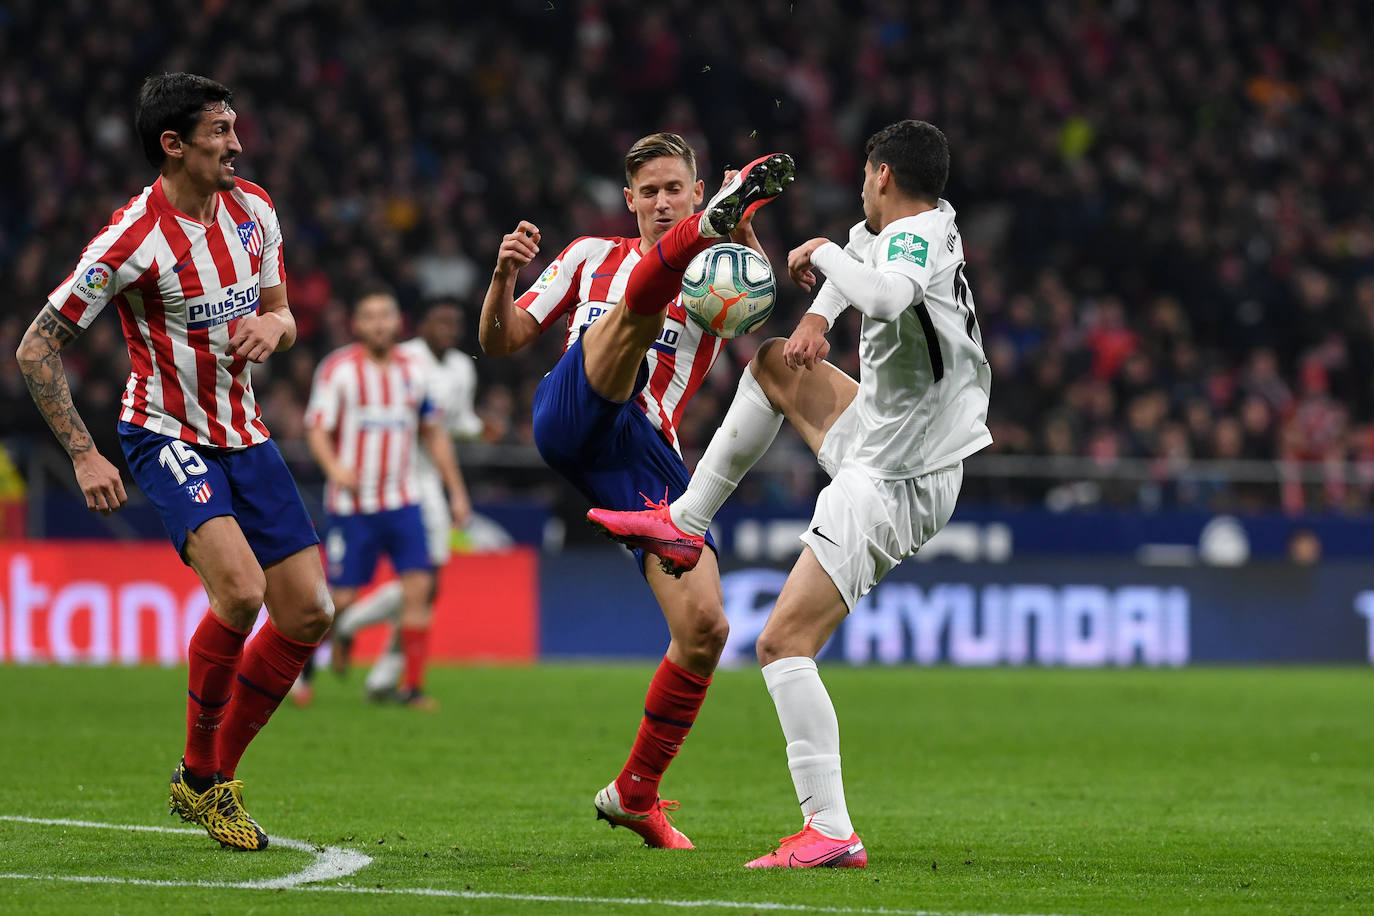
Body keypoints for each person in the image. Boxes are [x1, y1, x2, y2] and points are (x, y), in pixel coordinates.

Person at [588, 120, 992, 867]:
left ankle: (830, 829)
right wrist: (813, 316)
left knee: (781, 643)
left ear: (880, 177)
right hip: (891, 434)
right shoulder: (929, 223)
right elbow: (858, 273)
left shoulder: (909, 244)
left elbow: (881, 289)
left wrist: (821, 253)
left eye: (865, 181)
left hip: (897, 476)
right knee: (775, 364)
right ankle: (686, 521)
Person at [14, 73, 333, 851]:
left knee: (311, 614)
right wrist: (85, 455)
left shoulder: (255, 208)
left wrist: (277, 332)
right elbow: (35, 348)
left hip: (246, 434)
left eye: (234, 128)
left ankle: (207, 777)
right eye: (220, 132)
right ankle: (203, 778)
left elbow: (283, 311)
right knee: (241, 591)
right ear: (174, 144)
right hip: (165, 434)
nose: (236, 144)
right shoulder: (129, 240)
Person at [480, 132, 793, 849]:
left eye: (672, 190)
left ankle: (633, 794)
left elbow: (758, 299)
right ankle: (685, 244)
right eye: (647, 191)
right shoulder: (590, 255)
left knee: (706, 627)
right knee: (635, 314)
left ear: (692, 191)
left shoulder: (723, 269)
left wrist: (739, 228)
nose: (657, 199)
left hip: (643, 455)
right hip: (573, 410)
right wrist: (501, 277)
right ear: (629, 200)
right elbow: (502, 340)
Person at [304, 291, 471, 709]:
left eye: (386, 316)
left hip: (403, 500)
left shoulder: (413, 371)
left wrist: (456, 491)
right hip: (352, 505)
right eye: (370, 317)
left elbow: (432, 432)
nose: (379, 324)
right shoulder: (339, 369)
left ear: (398, 323)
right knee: (338, 601)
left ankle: (410, 687)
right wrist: (335, 470)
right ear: (356, 325)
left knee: (420, 587)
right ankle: (304, 668)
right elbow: (317, 429)